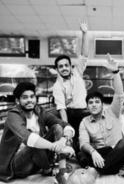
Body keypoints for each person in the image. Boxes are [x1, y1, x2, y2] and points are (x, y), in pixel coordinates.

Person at [0, 82, 75, 184]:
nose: (29, 100)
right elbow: (28, 138)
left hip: (37, 160)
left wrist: (64, 140)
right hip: (16, 166)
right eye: (25, 97)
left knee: (57, 127)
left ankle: (61, 172)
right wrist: (56, 147)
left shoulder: (39, 111)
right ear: (18, 100)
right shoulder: (13, 115)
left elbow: (64, 125)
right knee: (33, 141)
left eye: (32, 97)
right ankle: (48, 169)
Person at [77, 54, 124, 177]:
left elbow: (119, 94)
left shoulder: (112, 112)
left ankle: (96, 170)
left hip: (118, 152)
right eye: (90, 103)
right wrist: (93, 152)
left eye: (97, 102)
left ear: (102, 105)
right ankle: (113, 168)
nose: (94, 105)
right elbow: (83, 143)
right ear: (87, 106)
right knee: (81, 153)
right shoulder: (84, 121)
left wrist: (115, 72)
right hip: (102, 154)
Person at [52, 22, 89, 154]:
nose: (64, 68)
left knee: (83, 142)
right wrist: (66, 127)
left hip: (84, 112)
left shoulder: (78, 72)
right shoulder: (57, 86)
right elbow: (62, 110)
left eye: (66, 65)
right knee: (71, 140)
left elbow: (84, 54)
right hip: (69, 114)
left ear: (70, 65)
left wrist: (84, 34)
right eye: (60, 66)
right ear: (57, 69)